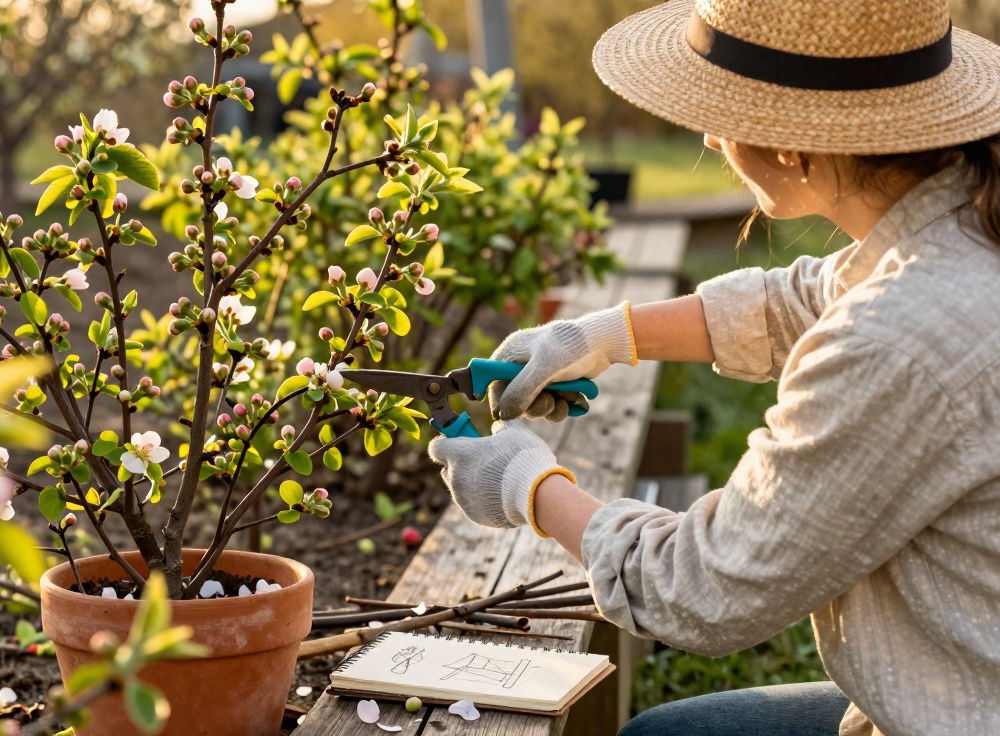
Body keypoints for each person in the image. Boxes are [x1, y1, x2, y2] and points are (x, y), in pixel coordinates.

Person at [426, 1, 1000, 734]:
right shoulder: (963, 224)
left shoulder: (897, 340)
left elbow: (703, 587)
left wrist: (525, 485)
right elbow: (803, 297)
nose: (706, 134)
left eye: (722, 112)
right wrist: (603, 334)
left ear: (796, 145)